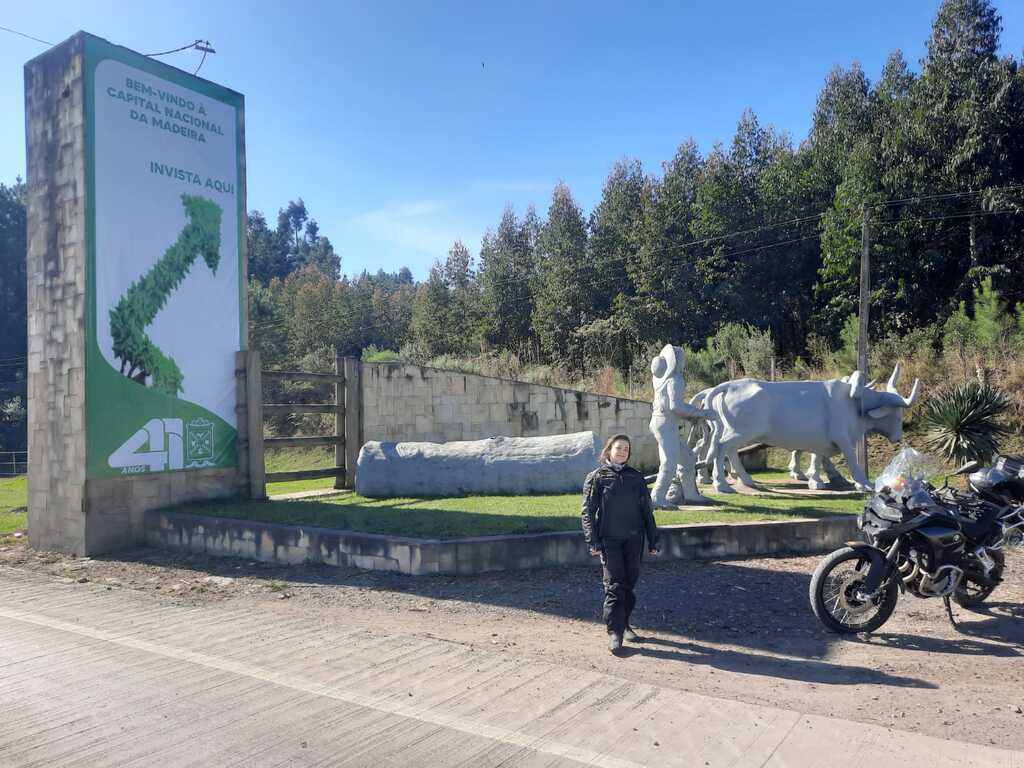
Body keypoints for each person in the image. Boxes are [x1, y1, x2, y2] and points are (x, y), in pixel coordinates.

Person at [580, 433, 660, 655]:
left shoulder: (636, 477)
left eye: (626, 448)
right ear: (609, 450)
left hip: (634, 540)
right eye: (618, 448)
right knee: (614, 584)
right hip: (609, 540)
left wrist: (653, 539)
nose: (622, 451)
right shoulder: (597, 477)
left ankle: (625, 625)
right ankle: (614, 632)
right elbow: (587, 512)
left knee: (629, 584)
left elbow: (647, 511)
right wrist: (592, 540)